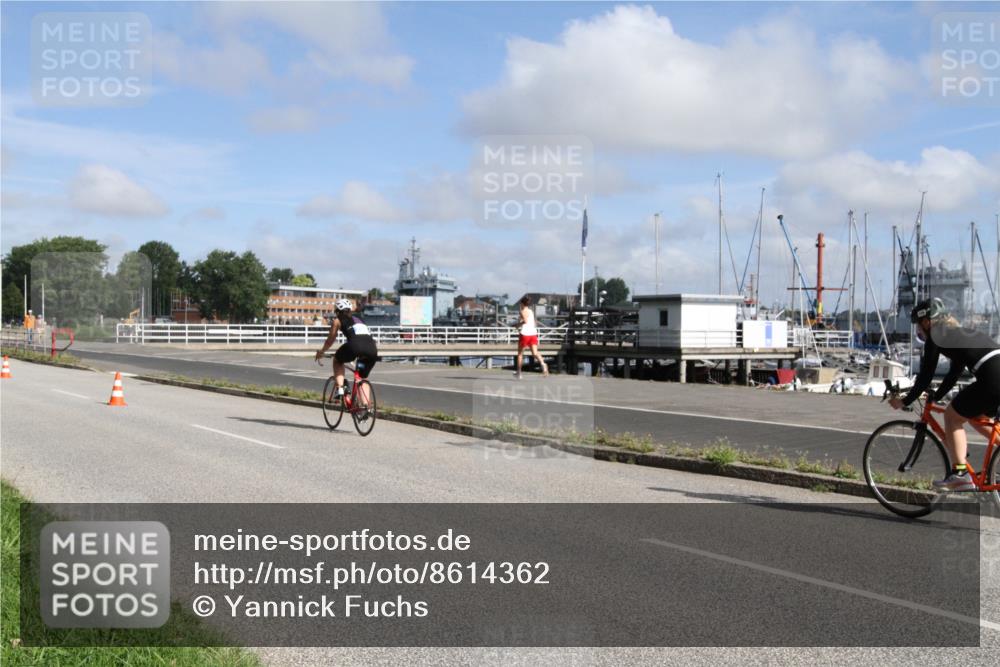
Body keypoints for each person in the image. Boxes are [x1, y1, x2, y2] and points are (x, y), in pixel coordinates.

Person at [889, 298, 1000, 491]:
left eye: (918, 325)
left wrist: (905, 400)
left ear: (926, 321)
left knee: (951, 417)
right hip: (994, 372)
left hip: (991, 377)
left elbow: (925, 376)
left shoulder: (936, 336)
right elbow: (954, 373)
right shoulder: (955, 333)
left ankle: (960, 474)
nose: (919, 330)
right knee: (974, 417)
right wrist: (937, 395)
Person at [314, 300, 377, 405]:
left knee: (337, 360)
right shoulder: (360, 319)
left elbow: (330, 341)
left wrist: (322, 351)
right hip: (372, 349)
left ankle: (340, 389)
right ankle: (366, 407)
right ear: (350, 310)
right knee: (362, 377)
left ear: (337, 311)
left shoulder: (337, 320)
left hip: (354, 347)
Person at [514, 295, 548, 379]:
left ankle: (519, 373)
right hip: (533, 334)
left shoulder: (522, 311)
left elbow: (524, 321)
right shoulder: (531, 311)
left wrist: (517, 325)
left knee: (520, 354)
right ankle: (543, 364)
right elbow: (532, 322)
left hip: (525, 334)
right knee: (535, 353)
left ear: (522, 303)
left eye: (520, 304)